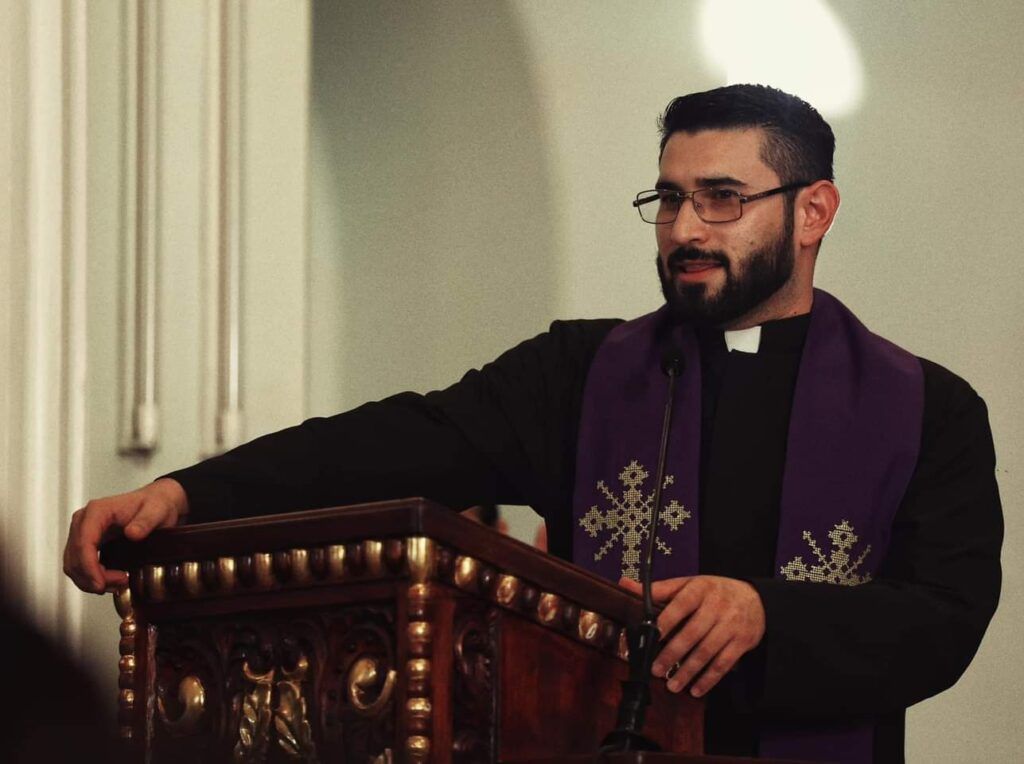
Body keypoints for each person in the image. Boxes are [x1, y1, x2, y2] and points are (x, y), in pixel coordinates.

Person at [63, 84, 1002, 763]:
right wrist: (188, 491)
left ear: (814, 213)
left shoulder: (929, 407)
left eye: (722, 198)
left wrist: (768, 616)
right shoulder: (585, 373)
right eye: (669, 198)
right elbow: (396, 441)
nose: (684, 230)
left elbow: (945, 620)